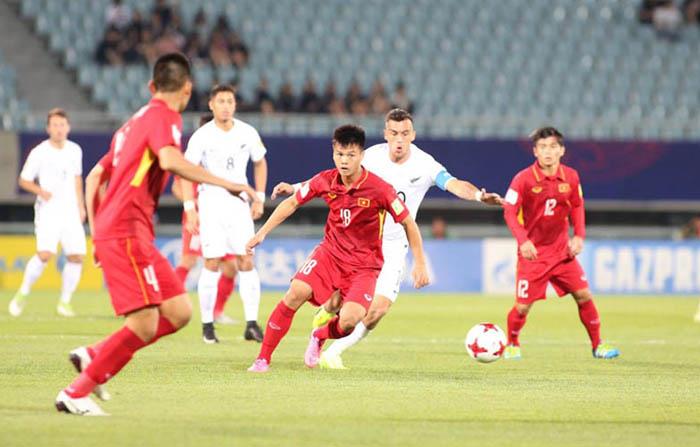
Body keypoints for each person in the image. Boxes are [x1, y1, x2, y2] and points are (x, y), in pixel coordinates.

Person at [55, 53, 260, 416]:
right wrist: (226, 182)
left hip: (124, 229)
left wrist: (96, 230)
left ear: (151, 86)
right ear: (188, 88)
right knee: (145, 323)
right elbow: (169, 160)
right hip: (126, 229)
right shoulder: (165, 117)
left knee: (179, 311)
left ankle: (94, 356)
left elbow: (95, 177)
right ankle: (76, 391)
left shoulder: (130, 124)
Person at [275, 108, 502, 369]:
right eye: (393, 133)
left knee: (375, 313)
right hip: (358, 244)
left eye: (405, 133)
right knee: (337, 303)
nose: (399, 139)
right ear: (385, 134)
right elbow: (330, 177)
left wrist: (478, 197)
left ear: (413, 135)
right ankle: (326, 312)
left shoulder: (425, 164)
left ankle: (332, 351)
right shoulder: (369, 157)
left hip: (394, 246)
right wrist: (293, 188)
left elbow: (455, 184)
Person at [246, 124, 430, 373]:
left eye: (351, 155)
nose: (344, 161)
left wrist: (419, 262)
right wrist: (262, 233)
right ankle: (262, 359)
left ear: (361, 155)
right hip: (330, 254)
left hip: (365, 265)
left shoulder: (380, 189)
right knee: (295, 292)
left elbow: (408, 222)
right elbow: (291, 203)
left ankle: (320, 335)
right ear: (334, 152)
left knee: (350, 321)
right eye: (340, 154)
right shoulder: (325, 180)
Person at [502, 126, 619, 360]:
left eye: (553, 147)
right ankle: (512, 343)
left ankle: (598, 345)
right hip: (532, 255)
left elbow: (577, 206)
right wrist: (523, 241)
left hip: (562, 252)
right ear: (535, 151)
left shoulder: (572, 177)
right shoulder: (522, 179)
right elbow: (509, 211)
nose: (548, 152)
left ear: (562, 150)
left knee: (584, 295)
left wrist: (579, 236)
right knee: (523, 307)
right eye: (543, 147)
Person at [181, 84, 267, 344]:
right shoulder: (202, 136)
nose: (226, 105)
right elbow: (187, 170)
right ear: (211, 105)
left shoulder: (247, 132)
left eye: (230, 101)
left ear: (235, 105)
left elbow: (260, 161)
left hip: (239, 205)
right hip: (211, 204)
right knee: (212, 262)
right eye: (221, 101)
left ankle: (251, 323)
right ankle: (208, 326)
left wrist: (260, 198)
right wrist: (190, 207)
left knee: (246, 261)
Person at [9, 109, 87, 318]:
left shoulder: (74, 150)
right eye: (55, 125)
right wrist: (41, 191)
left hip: (70, 209)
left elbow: (77, 178)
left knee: (76, 256)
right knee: (45, 254)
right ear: (48, 128)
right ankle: (22, 293)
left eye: (62, 125)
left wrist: (81, 205)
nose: (59, 129)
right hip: (49, 211)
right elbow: (24, 180)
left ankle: (64, 302)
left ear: (68, 127)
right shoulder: (39, 152)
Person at [171, 113, 237, 325]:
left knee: (230, 267)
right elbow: (176, 186)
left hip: (223, 217)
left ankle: (217, 312)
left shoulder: (226, 156)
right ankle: (169, 305)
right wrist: (193, 206)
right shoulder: (192, 157)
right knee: (189, 260)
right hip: (198, 217)